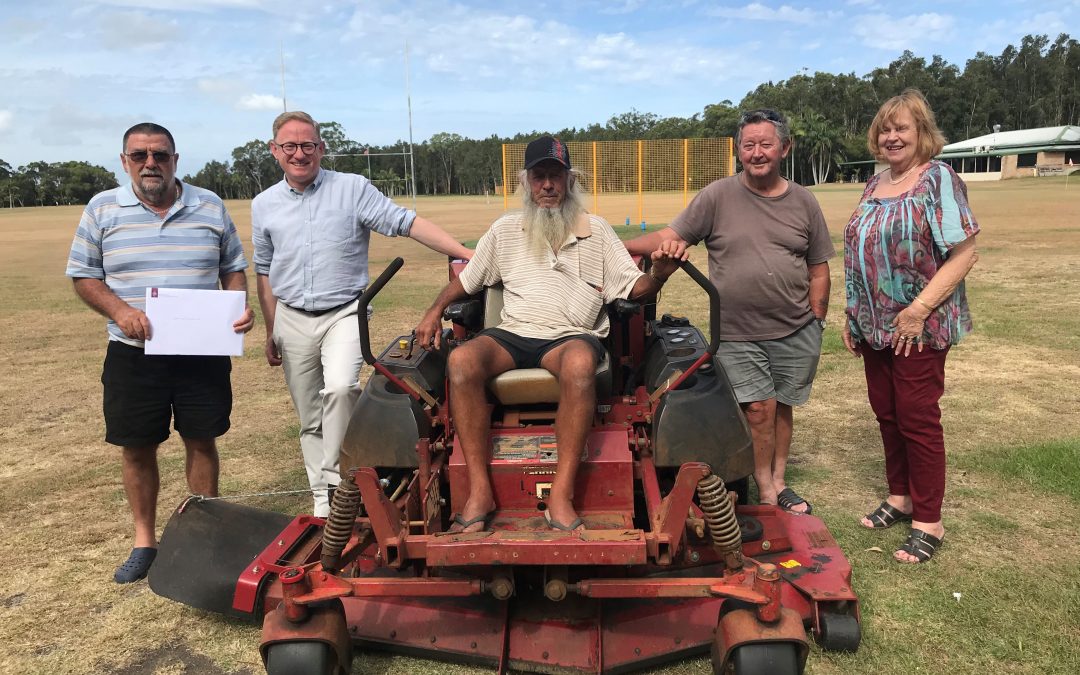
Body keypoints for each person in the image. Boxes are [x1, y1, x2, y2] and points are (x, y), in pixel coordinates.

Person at [415, 136, 682, 533]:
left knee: (578, 363)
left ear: (569, 181)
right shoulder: (506, 230)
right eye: (538, 176)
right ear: (526, 182)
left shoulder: (599, 232)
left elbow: (634, 288)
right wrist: (434, 311)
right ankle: (480, 491)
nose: (547, 186)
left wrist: (659, 274)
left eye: (555, 176)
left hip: (571, 335)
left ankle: (560, 494)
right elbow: (467, 281)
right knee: (461, 360)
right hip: (514, 333)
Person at [253, 111, 473, 517]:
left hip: (344, 313)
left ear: (321, 148)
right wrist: (271, 329)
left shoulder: (351, 189)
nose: (299, 154)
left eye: (308, 145)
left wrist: (464, 254)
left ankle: (343, 487)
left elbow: (404, 222)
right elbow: (264, 270)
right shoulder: (263, 204)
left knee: (339, 390)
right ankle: (323, 500)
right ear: (275, 151)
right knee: (309, 416)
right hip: (291, 316)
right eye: (290, 146)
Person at [66, 122, 254, 583]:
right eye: (140, 155)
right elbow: (84, 276)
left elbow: (233, 267)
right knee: (136, 446)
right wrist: (119, 310)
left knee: (201, 438)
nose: (151, 163)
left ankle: (204, 536)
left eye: (160, 155)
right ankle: (145, 542)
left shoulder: (209, 204)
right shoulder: (102, 209)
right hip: (133, 353)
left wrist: (238, 305)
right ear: (125, 160)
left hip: (201, 353)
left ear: (175, 159)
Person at [625, 109, 833, 514]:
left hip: (796, 328)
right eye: (748, 145)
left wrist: (817, 319)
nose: (756, 153)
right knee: (758, 409)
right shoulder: (717, 197)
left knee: (783, 405)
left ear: (784, 148)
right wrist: (620, 246)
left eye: (766, 144)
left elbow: (819, 267)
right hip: (737, 330)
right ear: (738, 150)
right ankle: (765, 490)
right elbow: (670, 236)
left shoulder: (804, 202)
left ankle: (779, 479)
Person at [843, 89, 979, 564]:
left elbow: (965, 253)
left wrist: (919, 309)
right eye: (885, 128)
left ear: (923, 133)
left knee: (918, 418)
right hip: (873, 325)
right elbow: (862, 253)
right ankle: (900, 497)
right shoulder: (874, 183)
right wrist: (852, 312)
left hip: (918, 325)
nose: (891, 136)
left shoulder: (937, 179)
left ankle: (929, 519)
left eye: (902, 127)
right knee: (886, 411)